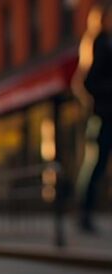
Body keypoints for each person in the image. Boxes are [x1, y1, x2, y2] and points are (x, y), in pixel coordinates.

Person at [80, 3, 112, 232]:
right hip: (103, 115)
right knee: (96, 165)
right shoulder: (99, 42)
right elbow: (87, 82)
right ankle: (84, 212)